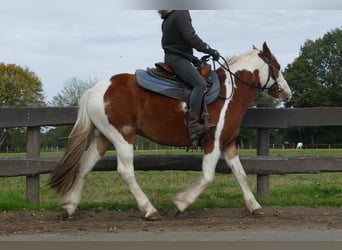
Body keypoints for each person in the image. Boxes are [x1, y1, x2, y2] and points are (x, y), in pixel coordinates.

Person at [158, 10, 221, 147]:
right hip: (177, 59)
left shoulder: (168, 18)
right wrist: (209, 50)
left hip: (174, 57)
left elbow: (177, 44)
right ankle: (194, 126)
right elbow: (191, 37)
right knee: (199, 84)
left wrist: (193, 59)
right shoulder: (181, 13)